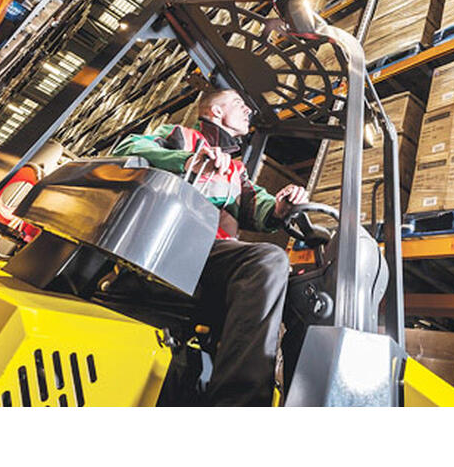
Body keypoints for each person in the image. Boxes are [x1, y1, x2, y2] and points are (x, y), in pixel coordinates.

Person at [111, 86, 308, 406]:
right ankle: (239, 403)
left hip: (212, 256)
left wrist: (280, 207)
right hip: (171, 244)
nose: (248, 111)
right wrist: (186, 160)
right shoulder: (182, 137)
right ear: (216, 112)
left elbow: (255, 205)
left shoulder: (236, 170)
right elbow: (128, 147)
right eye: (239, 104)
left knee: (299, 288)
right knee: (268, 259)